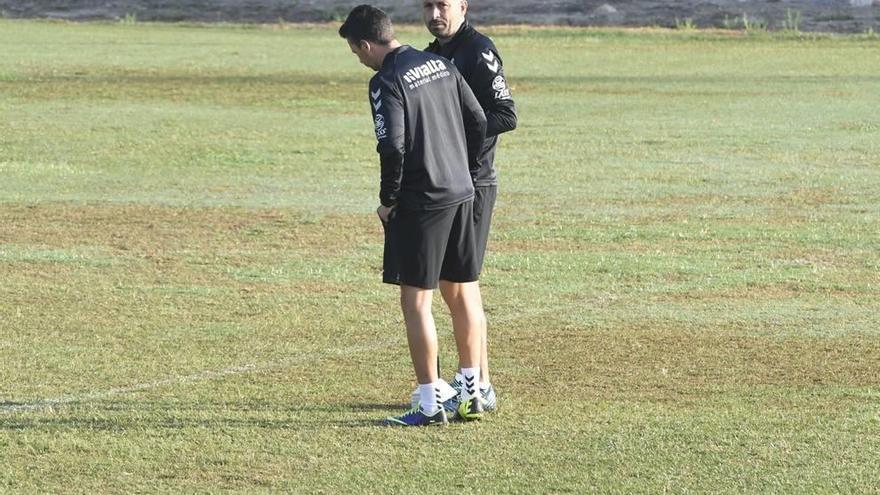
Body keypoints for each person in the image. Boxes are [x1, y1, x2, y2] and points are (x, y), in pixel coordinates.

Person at [338, 5, 489, 426]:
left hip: (423, 202)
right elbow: (478, 121)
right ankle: (472, 392)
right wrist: (465, 170)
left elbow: (393, 146)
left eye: (356, 53)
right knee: (462, 294)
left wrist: (388, 200)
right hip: (462, 193)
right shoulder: (440, 63)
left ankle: (428, 403)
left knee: (416, 303)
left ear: (365, 44)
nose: (360, 60)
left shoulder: (384, 79)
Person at [416, 0, 518, 414]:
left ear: (462, 6)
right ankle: (481, 383)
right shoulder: (428, 58)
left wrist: (455, 132)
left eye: (443, 4)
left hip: (474, 181)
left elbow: (505, 115)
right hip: (443, 184)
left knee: (462, 285)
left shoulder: (478, 51)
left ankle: (481, 384)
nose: (435, 13)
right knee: (452, 284)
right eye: (427, 5)